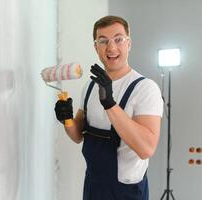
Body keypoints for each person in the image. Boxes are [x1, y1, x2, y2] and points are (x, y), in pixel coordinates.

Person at [54, 15, 163, 200]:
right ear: (96, 47)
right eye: (103, 41)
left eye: (118, 39)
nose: (111, 48)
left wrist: (110, 104)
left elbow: (146, 149)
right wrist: (67, 119)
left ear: (129, 43)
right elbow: (78, 136)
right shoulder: (90, 86)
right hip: (93, 186)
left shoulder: (145, 88)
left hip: (126, 192)